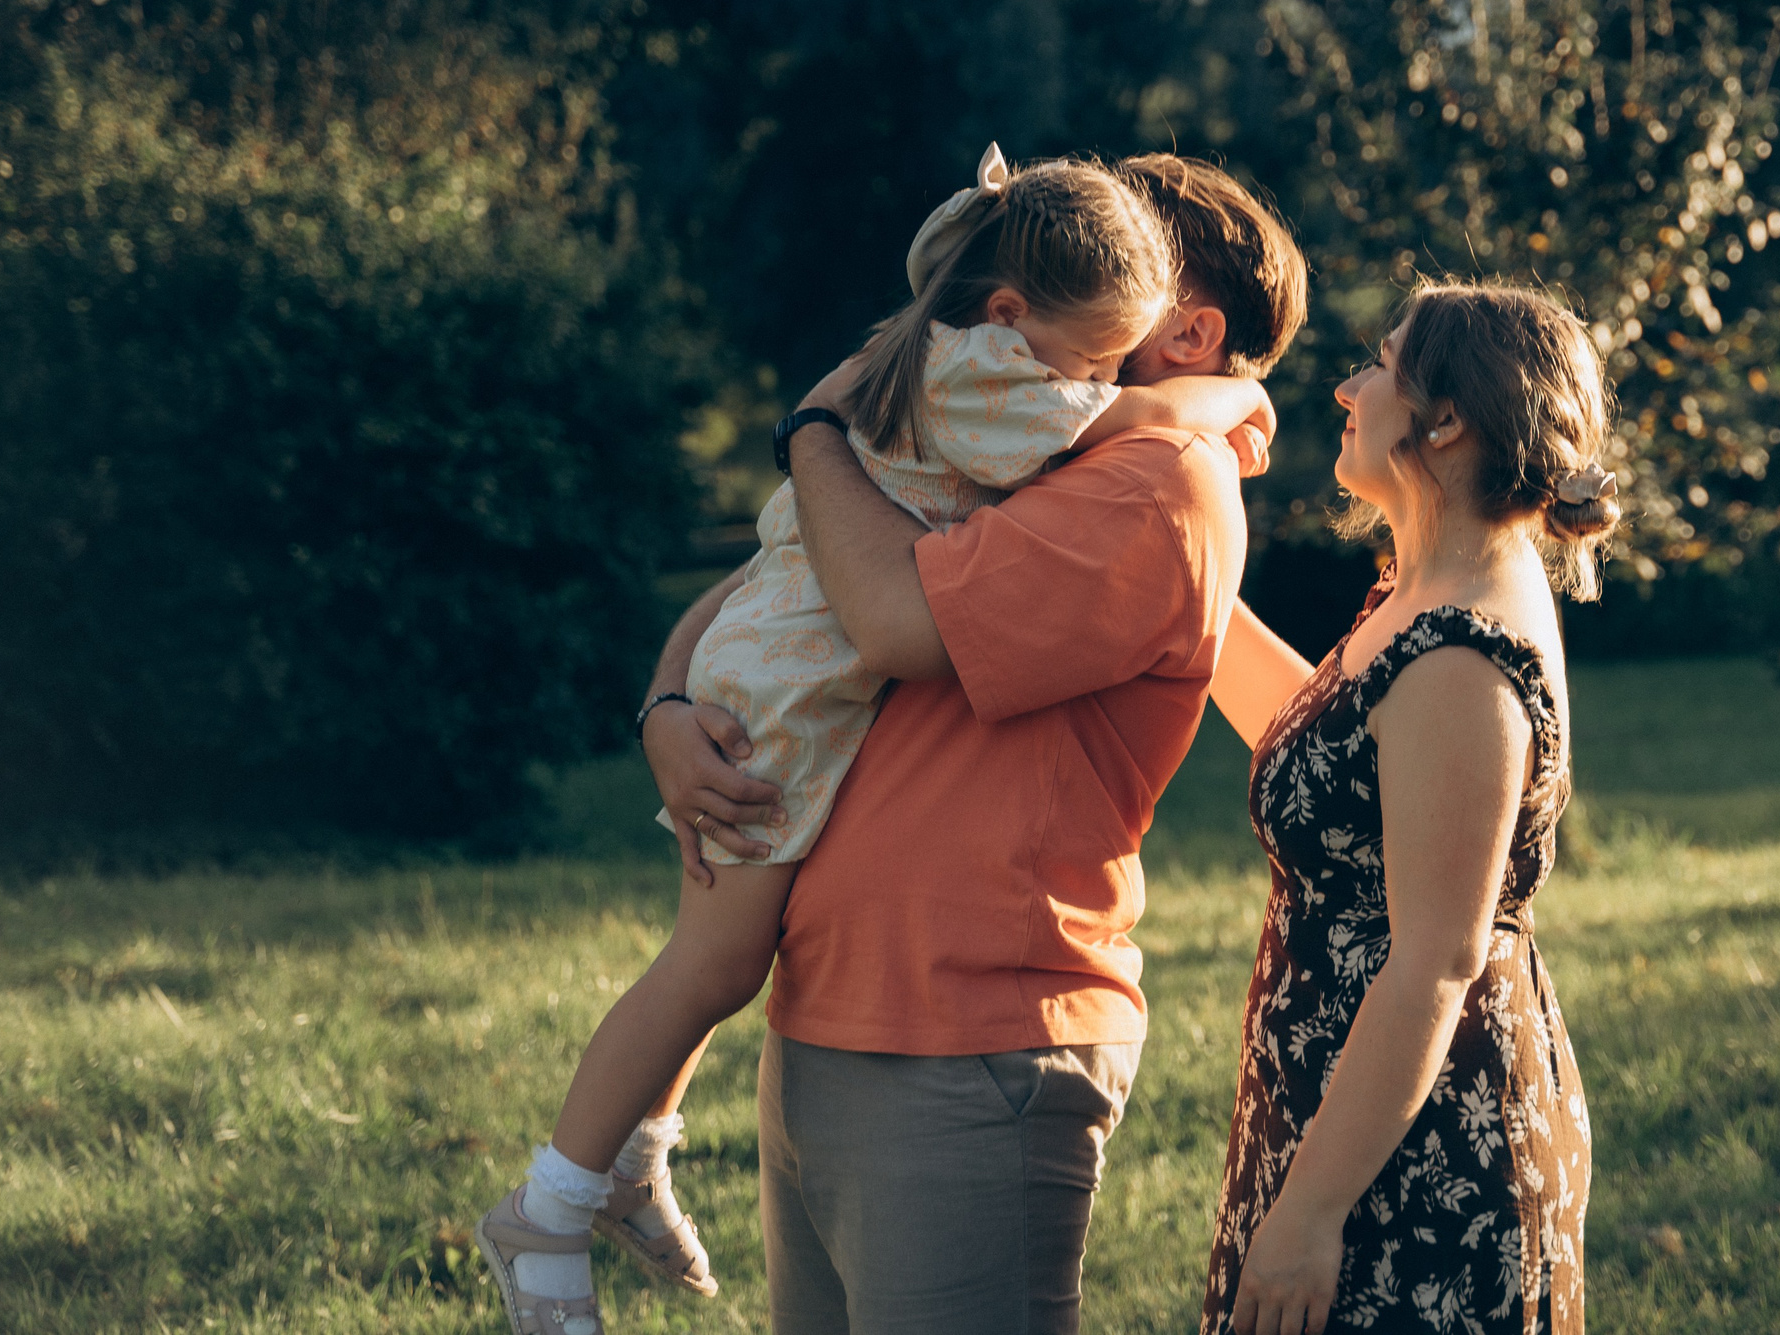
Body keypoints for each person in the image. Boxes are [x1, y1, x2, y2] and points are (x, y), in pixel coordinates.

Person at [474, 148, 1280, 1335]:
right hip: (835, 1020)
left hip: (968, 1040)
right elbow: (796, 573)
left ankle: (572, 1191)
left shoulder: (1149, 479)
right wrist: (664, 709)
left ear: (1188, 326)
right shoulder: (1013, 418)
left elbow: (894, 617)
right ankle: (618, 1157)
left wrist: (813, 428)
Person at [1200, 281, 1616, 1335]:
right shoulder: (1423, 591)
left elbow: (1435, 955)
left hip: (1417, 1159)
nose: (1347, 386)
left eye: (1377, 363)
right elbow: (1319, 749)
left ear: (1445, 419)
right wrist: (1186, 584)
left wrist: (1307, 1213)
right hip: (1359, 1118)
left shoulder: (1462, 654)